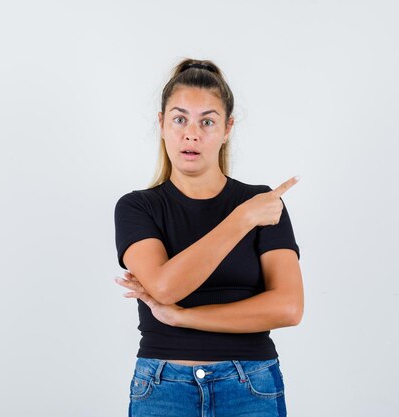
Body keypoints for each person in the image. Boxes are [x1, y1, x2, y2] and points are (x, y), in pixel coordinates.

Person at [113, 58, 304, 417]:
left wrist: (183, 318)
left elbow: (289, 308)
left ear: (227, 127)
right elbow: (166, 289)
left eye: (208, 121)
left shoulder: (264, 203)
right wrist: (242, 219)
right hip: (163, 387)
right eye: (180, 118)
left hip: (250, 385)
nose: (192, 134)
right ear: (162, 123)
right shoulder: (137, 207)